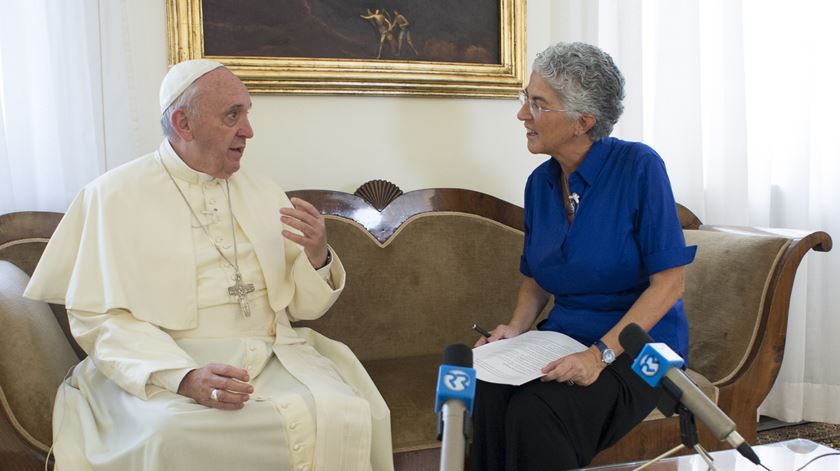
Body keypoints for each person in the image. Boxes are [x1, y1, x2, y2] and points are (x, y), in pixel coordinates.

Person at [24, 59, 393, 471]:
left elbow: (301, 310)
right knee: (172, 433)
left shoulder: (263, 191)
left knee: (345, 410)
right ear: (184, 124)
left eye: (247, 113)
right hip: (163, 364)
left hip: (273, 357)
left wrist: (317, 256)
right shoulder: (112, 196)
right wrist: (182, 376)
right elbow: (99, 318)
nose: (249, 131)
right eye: (232, 115)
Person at [470, 42, 697, 470]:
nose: (522, 115)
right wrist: (515, 328)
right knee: (486, 390)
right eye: (526, 100)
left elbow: (670, 284)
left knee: (538, 411)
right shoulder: (540, 183)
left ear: (583, 121)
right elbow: (537, 276)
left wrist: (599, 356)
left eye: (537, 104)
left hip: (645, 351)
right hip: (562, 339)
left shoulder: (640, 168)